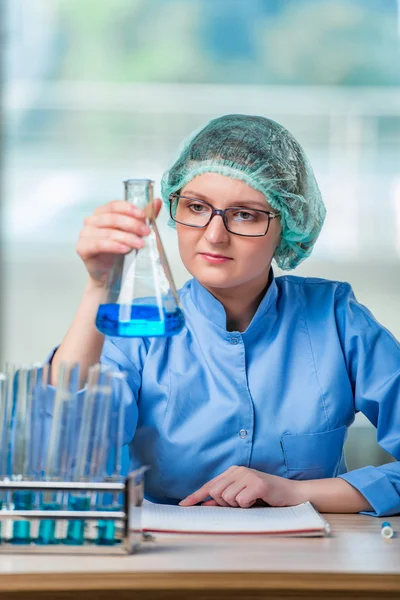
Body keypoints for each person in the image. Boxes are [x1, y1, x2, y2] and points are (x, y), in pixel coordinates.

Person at [50, 114, 400, 516]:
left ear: (287, 226)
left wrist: (295, 491)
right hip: (163, 566)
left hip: (309, 570)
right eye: (197, 207)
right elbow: (63, 450)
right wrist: (99, 287)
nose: (214, 235)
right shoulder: (138, 328)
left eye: (245, 214)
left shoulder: (337, 321)